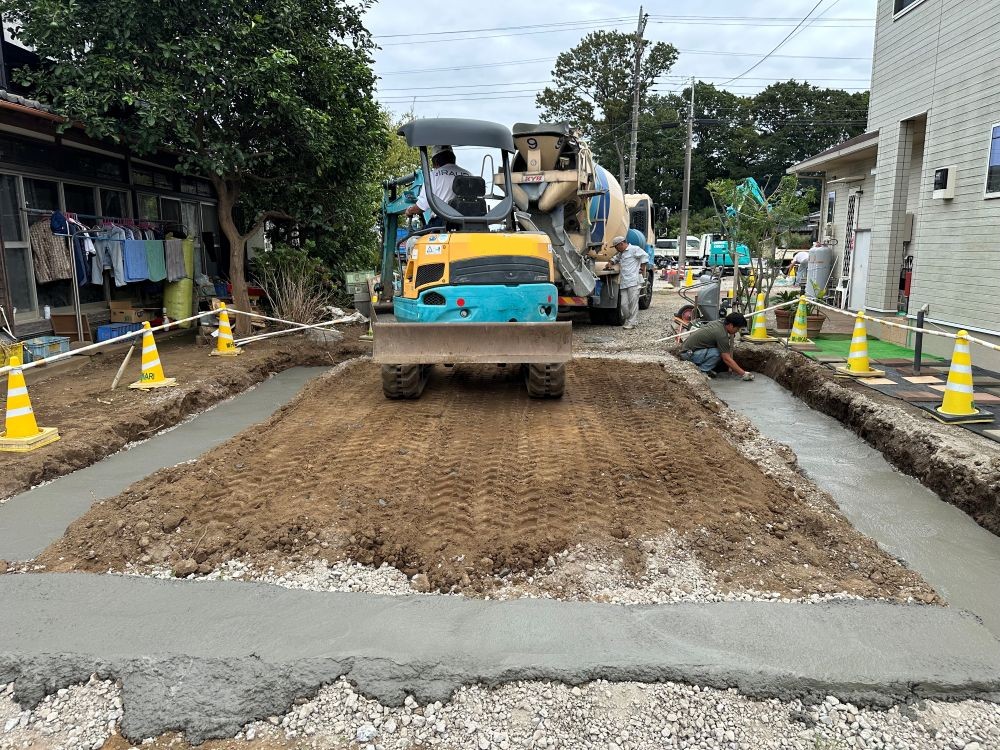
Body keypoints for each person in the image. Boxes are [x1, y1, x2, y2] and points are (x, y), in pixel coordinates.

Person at [679, 312, 755, 381]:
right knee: (718, 352)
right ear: (731, 325)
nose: (737, 331)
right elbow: (726, 359)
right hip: (688, 354)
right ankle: (702, 371)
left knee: (718, 350)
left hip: (688, 350)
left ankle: (705, 368)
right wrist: (743, 373)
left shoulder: (718, 323)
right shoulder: (721, 334)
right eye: (737, 328)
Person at [405, 146, 471, 223]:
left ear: (435, 161)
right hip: (470, 222)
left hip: (443, 223)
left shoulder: (432, 176)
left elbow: (422, 206)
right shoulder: (469, 174)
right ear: (453, 158)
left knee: (415, 235)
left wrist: (410, 211)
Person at [609, 235, 648, 330]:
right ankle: (631, 319)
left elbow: (645, 256)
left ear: (621, 244)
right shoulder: (621, 253)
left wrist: (642, 267)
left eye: (616, 247)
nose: (616, 249)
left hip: (634, 281)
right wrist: (610, 262)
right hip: (624, 282)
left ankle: (632, 322)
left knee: (633, 303)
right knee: (623, 304)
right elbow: (615, 258)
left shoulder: (634, 249)